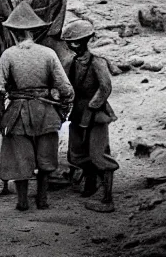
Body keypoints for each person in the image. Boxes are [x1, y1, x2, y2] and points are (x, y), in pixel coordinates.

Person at [0, 1, 74, 211]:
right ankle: (42, 199)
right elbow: (66, 89)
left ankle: (22, 202)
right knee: (46, 157)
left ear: (13, 33)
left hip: (17, 114)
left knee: (20, 158)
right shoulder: (48, 54)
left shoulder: (8, 55)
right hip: (46, 113)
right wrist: (62, 111)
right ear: (33, 32)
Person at [61, 19, 119, 213]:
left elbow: (105, 88)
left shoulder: (97, 62)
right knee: (76, 154)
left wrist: (93, 106)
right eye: (70, 42)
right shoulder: (70, 62)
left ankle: (107, 199)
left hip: (96, 113)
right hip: (77, 112)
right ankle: (91, 179)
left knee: (99, 154)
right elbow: (65, 85)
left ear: (85, 41)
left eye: (76, 42)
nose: (72, 46)